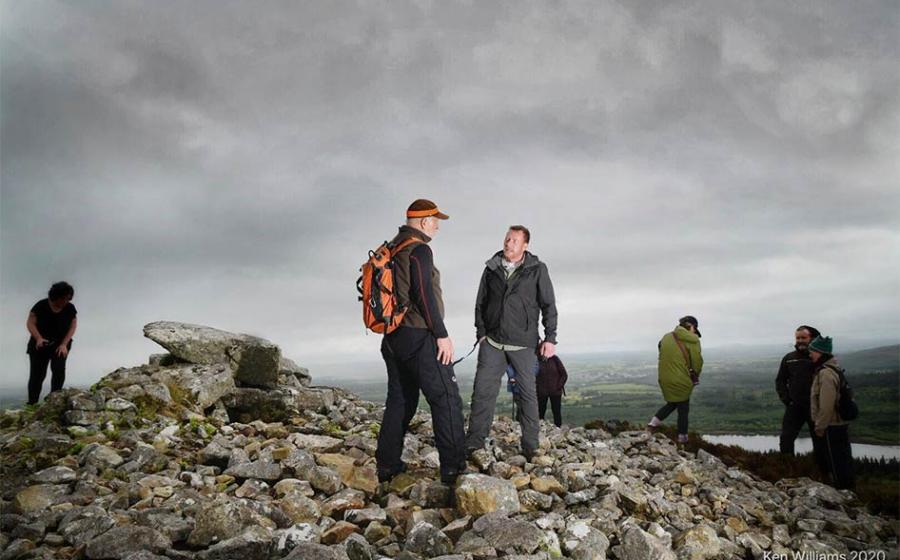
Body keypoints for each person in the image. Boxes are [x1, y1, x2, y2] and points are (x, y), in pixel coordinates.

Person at [374, 199, 467, 485]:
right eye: (435, 221)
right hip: (418, 335)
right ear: (425, 221)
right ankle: (453, 471)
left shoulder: (392, 246)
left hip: (393, 336)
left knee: (400, 400)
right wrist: (441, 334)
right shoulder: (419, 249)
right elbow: (423, 294)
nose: (437, 226)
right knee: (446, 399)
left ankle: (387, 465)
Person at [466, 225, 558, 461]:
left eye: (514, 240)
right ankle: (474, 443)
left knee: (528, 395)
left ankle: (531, 446)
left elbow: (548, 305)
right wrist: (481, 333)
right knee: (482, 393)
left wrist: (550, 338)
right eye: (507, 239)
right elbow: (480, 303)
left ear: (525, 245)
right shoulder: (491, 268)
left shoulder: (537, 269)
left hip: (523, 344)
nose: (508, 243)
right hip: (493, 343)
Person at [647, 316, 703, 444]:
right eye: (695, 329)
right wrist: (695, 375)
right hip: (681, 379)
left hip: (664, 378)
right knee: (683, 407)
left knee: (673, 402)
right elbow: (697, 362)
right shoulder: (693, 340)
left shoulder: (666, 337)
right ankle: (682, 439)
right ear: (691, 326)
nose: (695, 332)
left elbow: (661, 351)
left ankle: (652, 424)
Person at [808, 335, 854, 490]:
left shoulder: (826, 374)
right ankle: (848, 491)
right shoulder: (833, 369)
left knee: (836, 463)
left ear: (820, 352)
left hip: (831, 426)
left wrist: (820, 427)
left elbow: (826, 405)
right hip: (838, 424)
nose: (810, 354)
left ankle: (842, 492)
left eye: (812, 351)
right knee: (843, 460)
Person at [26, 281, 78, 405]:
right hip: (40, 344)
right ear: (56, 296)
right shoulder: (40, 306)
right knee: (37, 375)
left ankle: (54, 401)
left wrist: (64, 344)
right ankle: (32, 404)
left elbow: (73, 326)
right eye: (64, 298)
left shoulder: (70, 308)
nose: (66, 301)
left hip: (61, 344)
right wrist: (38, 338)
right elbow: (30, 323)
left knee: (58, 370)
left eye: (68, 299)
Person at [775, 325, 821, 455]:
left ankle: (821, 467)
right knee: (786, 439)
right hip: (794, 406)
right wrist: (787, 400)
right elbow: (780, 380)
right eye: (797, 338)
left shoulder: (818, 358)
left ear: (812, 338)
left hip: (816, 408)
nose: (800, 341)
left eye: (803, 338)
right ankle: (788, 465)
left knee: (820, 440)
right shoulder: (789, 358)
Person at [536, 352, 568, 427]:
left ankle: (558, 429)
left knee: (556, 412)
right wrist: (537, 387)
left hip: (555, 392)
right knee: (540, 412)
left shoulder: (555, 359)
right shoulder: (536, 360)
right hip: (541, 392)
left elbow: (564, 375)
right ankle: (540, 429)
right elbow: (532, 375)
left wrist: (558, 386)